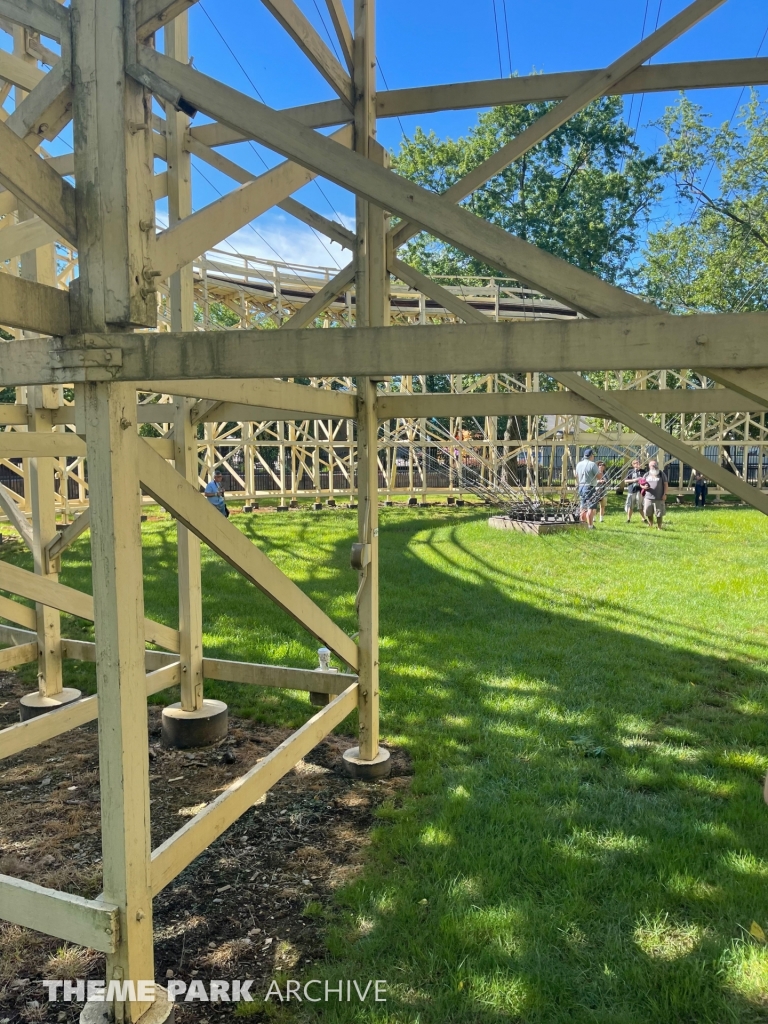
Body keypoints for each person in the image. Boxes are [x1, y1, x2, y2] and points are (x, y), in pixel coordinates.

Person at [575, 448, 600, 529]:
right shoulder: (592, 464)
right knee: (590, 507)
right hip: (590, 487)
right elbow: (599, 476)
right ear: (591, 456)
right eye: (593, 456)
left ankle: (582, 524)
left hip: (581, 487)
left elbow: (576, 476)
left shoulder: (579, 464)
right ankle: (590, 526)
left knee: (582, 506)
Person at [642, 459, 668, 529]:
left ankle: (659, 527)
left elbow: (665, 484)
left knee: (659, 514)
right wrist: (644, 487)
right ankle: (651, 525)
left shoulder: (661, 474)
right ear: (649, 466)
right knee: (648, 512)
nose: (654, 466)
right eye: (652, 465)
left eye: (655, 465)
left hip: (659, 498)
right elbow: (641, 484)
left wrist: (665, 494)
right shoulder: (646, 474)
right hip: (648, 497)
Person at [624, 458, 644, 523]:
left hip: (640, 490)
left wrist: (641, 480)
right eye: (636, 463)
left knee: (640, 504)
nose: (638, 464)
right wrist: (633, 480)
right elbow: (626, 481)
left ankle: (643, 518)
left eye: (639, 463)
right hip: (632, 490)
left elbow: (646, 480)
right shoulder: (630, 471)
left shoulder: (643, 471)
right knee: (631, 505)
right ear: (633, 465)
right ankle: (628, 519)